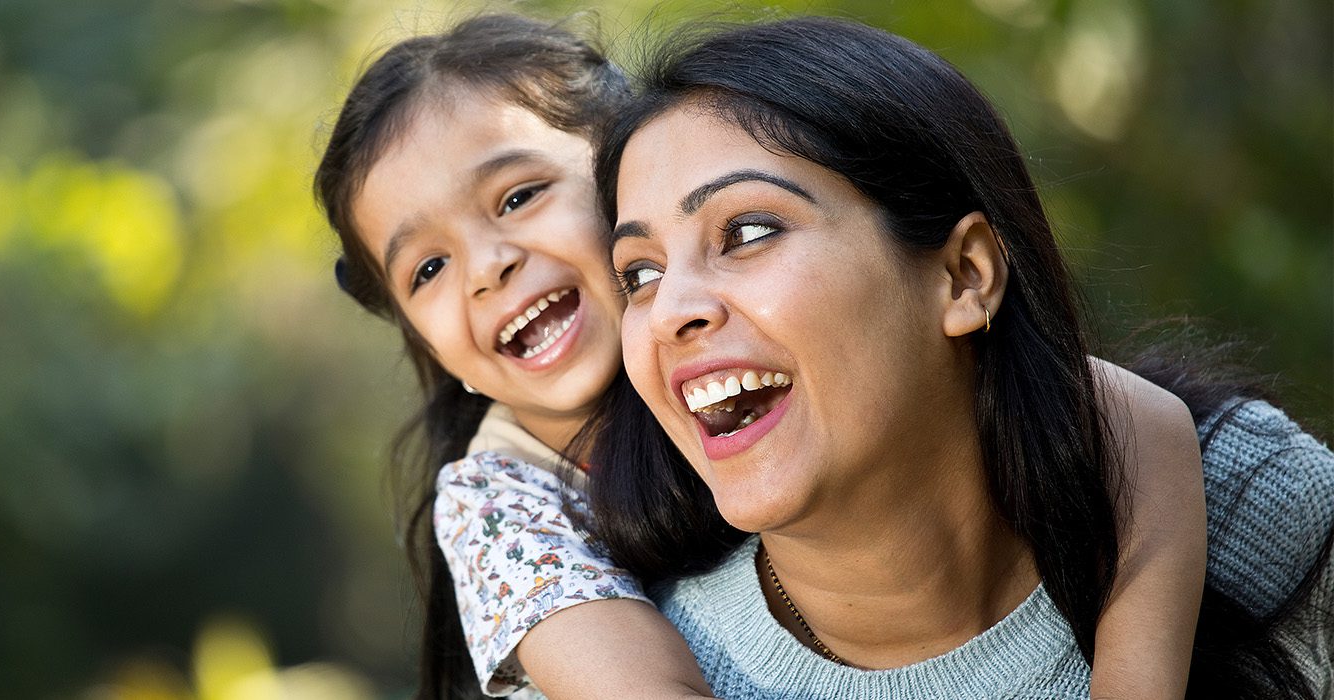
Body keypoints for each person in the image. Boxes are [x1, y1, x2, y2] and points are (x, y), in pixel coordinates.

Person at [314, 14, 1215, 700]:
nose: (489, 266)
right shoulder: (502, 502)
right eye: (427, 267)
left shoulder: (730, 337)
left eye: (518, 196)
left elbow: (1139, 420)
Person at [591, 16, 1334, 698]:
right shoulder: (639, 671)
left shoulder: (1247, 500)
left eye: (748, 231)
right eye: (640, 275)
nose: (671, 311)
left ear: (964, 275)